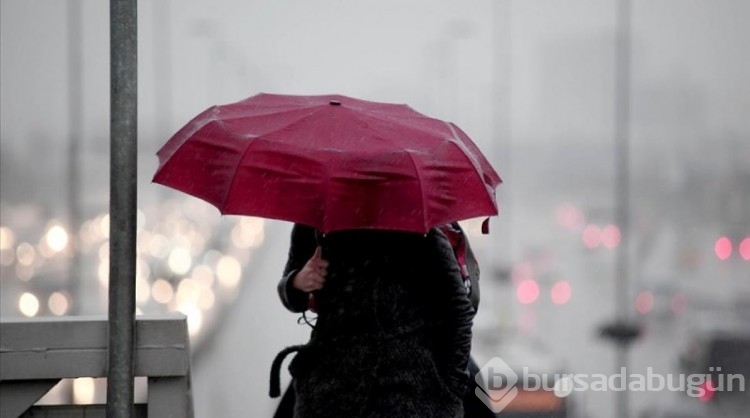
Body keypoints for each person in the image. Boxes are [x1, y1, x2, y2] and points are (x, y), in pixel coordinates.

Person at [270, 223, 474, 418]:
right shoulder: (315, 219)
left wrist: (452, 388)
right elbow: (291, 292)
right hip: (328, 385)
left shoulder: (420, 227)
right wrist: (299, 281)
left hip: (406, 387)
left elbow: (459, 309)